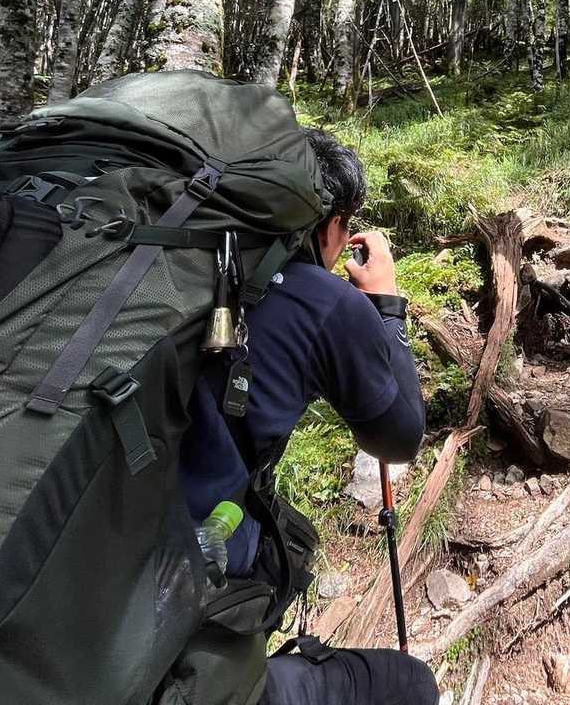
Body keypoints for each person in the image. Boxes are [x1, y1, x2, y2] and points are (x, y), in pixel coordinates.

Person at [178, 127, 438, 705]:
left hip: (94, 574)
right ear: (330, 225)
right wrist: (385, 303)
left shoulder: (182, 260)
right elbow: (400, 438)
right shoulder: (323, 300)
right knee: (410, 685)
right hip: (185, 613)